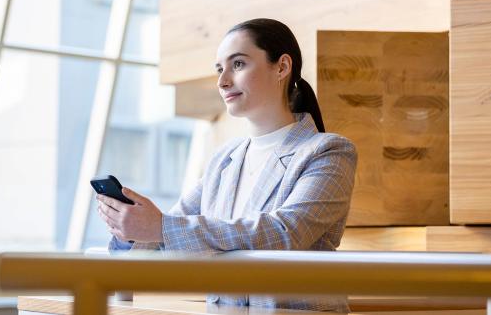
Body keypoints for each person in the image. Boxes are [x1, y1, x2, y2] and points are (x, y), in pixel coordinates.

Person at [97, 18, 357, 312]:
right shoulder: (225, 159)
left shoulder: (329, 151)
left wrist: (160, 227)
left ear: (282, 67)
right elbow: (171, 232)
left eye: (238, 64)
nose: (222, 82)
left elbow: (286, 232)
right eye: (220, 69)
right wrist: (129, 230)